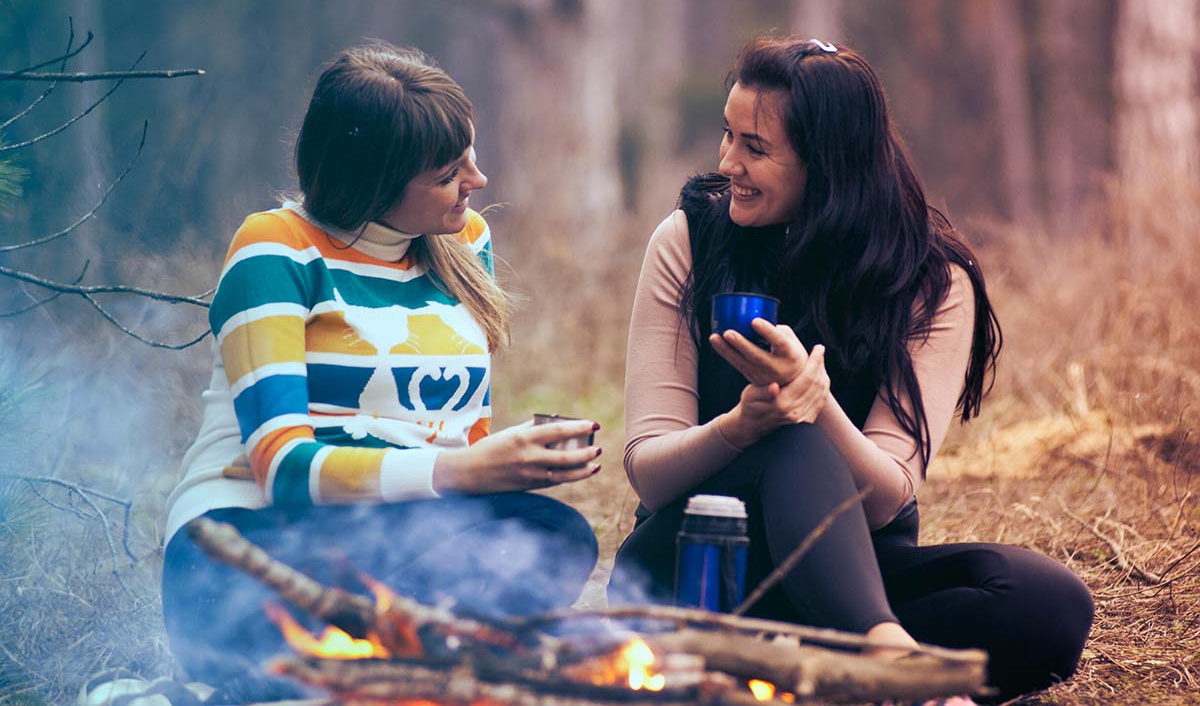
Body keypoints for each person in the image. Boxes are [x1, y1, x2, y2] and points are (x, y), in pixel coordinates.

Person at [607, 36, 1093, 700]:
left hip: (849, 571)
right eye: (728, 136)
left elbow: (890, 493)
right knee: (788, 441)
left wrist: (818, 404)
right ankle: (893, 664)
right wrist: (744, 427)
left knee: (1048, 602)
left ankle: (830, 665)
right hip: (694, 569)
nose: (729, 163)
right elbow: (651, 473)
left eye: (756, 148)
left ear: (828, 163)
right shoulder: (689, 241)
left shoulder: (932, 280)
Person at [162, 44, 601, 695]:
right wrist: (464, 472)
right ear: (374, 181)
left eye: (471, 157)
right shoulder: (276, 249)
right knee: (449, 569)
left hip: (392, 537)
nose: (477, 181)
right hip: (247, 546)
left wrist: (503, 467)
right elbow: (283, 470)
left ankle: (382, 670)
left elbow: (459, 433)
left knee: (551, 533)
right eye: (451, 171)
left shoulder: (464, 241)